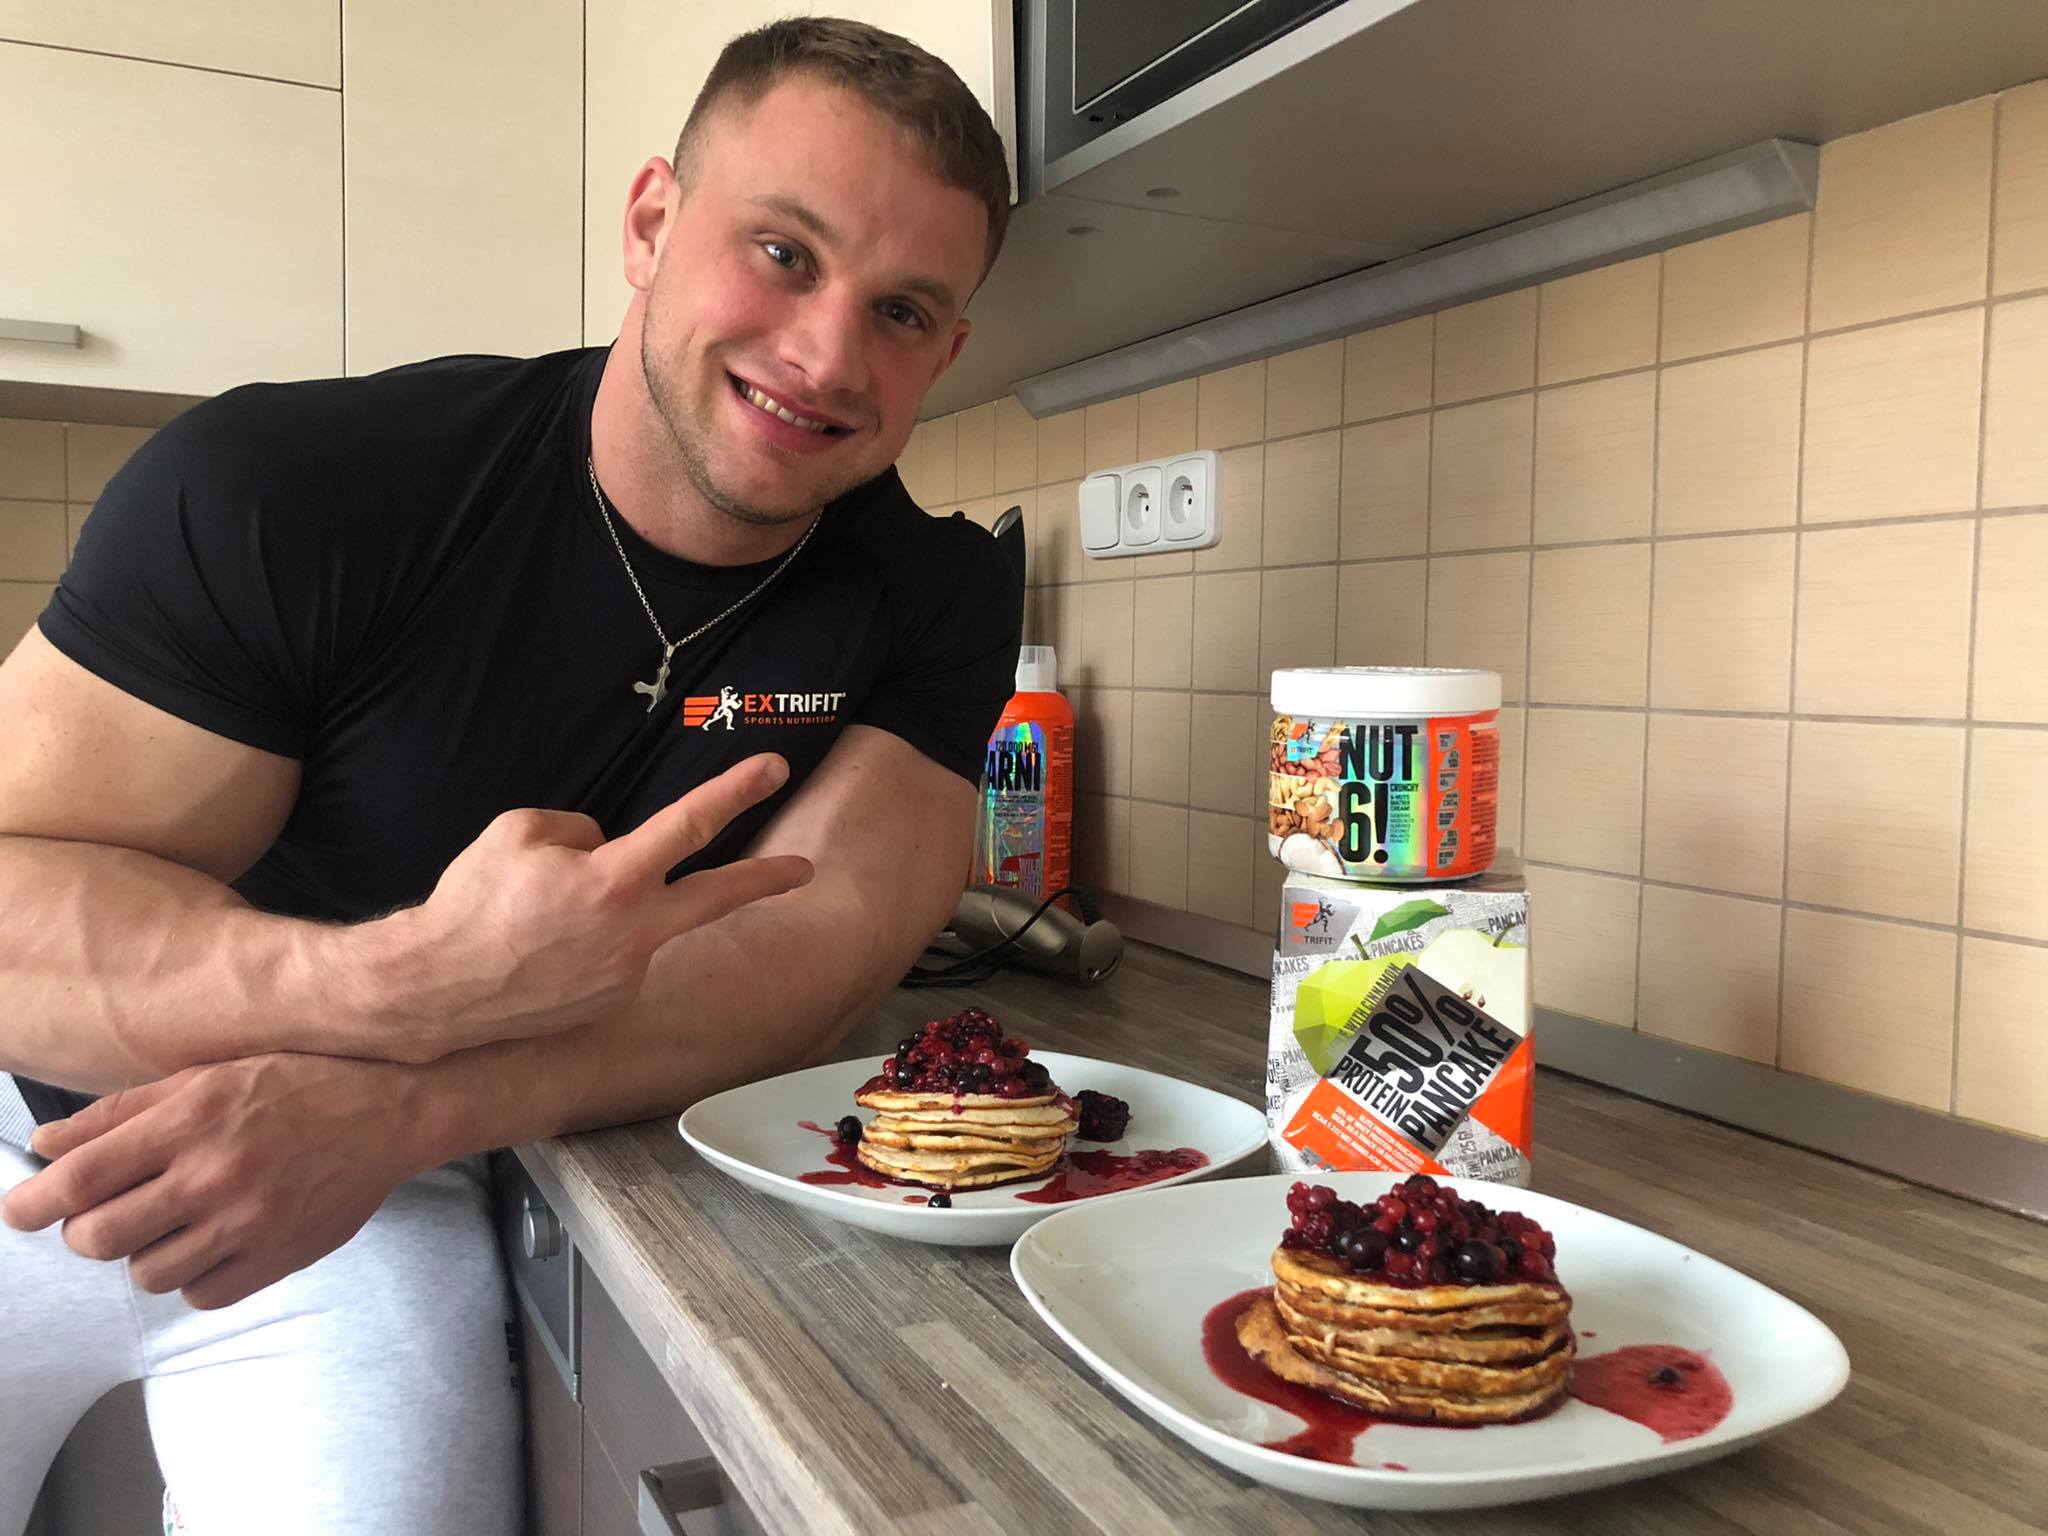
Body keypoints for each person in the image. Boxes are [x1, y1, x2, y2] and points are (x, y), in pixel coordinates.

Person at [0, 16, 1020, 1535]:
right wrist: (406, 985)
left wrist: (394, 1112)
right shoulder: (296, 487)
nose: (827, 356)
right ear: (652, 222)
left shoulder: (932, 596)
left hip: (369, 1179)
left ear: (947, 352)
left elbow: (819, 949)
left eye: (903, 310)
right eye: (783, 254)